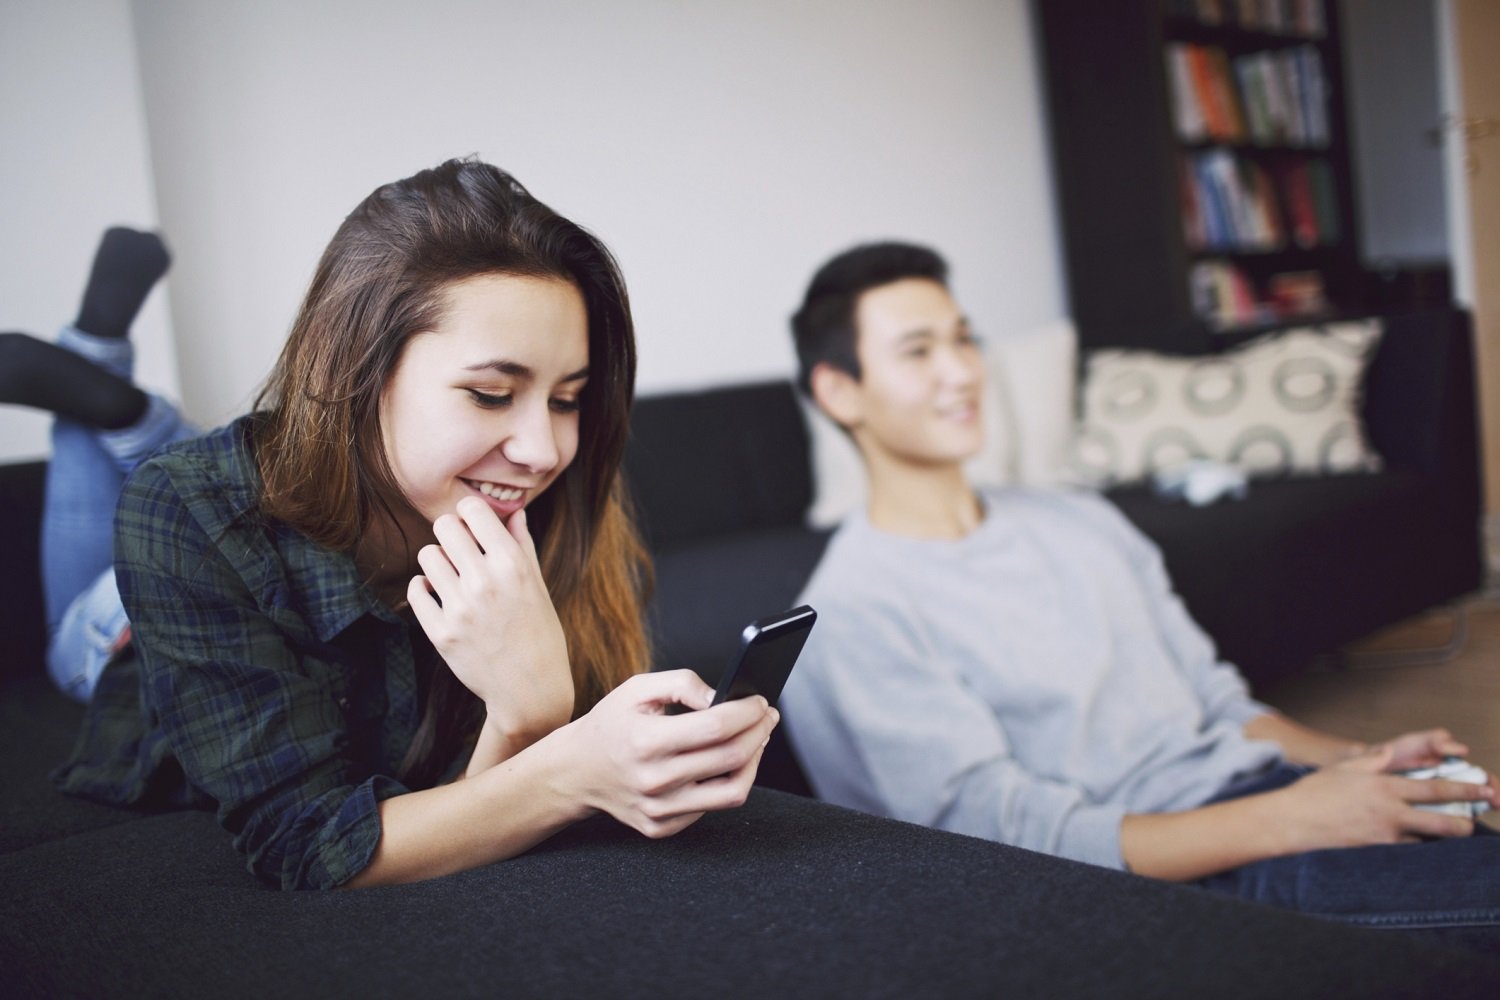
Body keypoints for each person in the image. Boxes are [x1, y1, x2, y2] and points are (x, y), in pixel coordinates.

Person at [30, 160, 778, 890]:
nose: (544, 451)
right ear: (355, 375)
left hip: (288, 478)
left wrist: (534, 726)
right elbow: (309, 845)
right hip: (113, 637)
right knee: (107, 560)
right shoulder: (186, 512)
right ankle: (106, 383)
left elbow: (466, 817)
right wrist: (555, 747)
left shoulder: (555, 500)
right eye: (490, 394)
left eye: (565, 399)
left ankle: (125, 407)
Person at [778, 240, 1499, 927]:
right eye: (918, 351)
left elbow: (1216, 699)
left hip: (1262, 804)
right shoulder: (855, 608)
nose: (962, 371)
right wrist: (1301, 818)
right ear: (840, 391)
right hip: (1153, 878)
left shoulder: (1080, 518)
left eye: (964, 339)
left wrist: (1353, 764)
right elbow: (1001, 839)